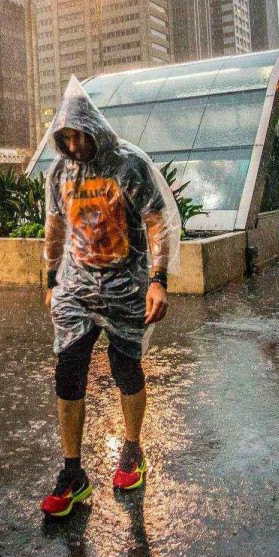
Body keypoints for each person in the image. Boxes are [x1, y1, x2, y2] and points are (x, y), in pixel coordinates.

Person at [39, 78, 180, 519]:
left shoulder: (127, 165)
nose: (73, 144)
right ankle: (72, 472)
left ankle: (132, 449)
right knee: (68, 370)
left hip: (126, 286)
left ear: (92, 128)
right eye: (65, 138)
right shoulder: (59, 173)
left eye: (78, 135)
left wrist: (158, 279)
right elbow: (56, 227)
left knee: (125, 368)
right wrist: (49, 280)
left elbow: (157, 221)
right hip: (77, 287)